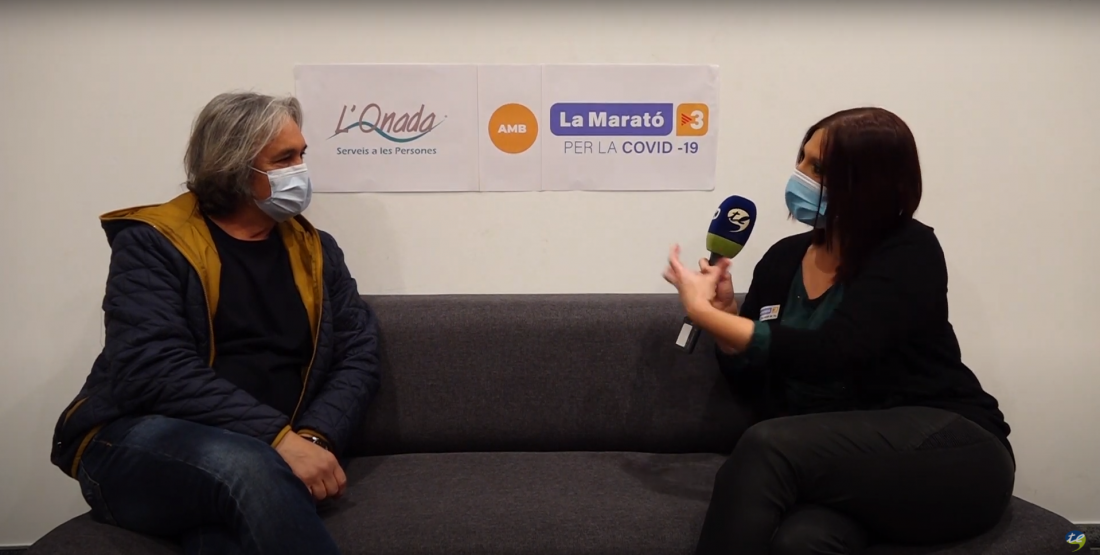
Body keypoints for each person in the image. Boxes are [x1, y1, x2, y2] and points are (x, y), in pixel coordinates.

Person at [662, 107, 1014, 555]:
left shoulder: (909, 251)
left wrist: (702, 312)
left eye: (819, 169)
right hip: (851, 469)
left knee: (768, 445)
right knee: (800, 542)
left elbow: (835, 351)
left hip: (950, 452)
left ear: (869, 184)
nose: (800, 176)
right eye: (802, 159)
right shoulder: (782, 260)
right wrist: (728, 319)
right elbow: (756, 383)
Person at [49, 91, 381, 555]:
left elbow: (358, 351)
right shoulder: (154, 244)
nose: (301, 170)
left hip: (262, 449)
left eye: (301, 155)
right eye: (284, 158)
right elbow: (153, 367)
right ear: (234, 166)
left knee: (228, 527)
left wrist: (311, 438)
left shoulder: (317, 250)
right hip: (136, 437)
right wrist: (277, 439)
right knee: (251, 468)